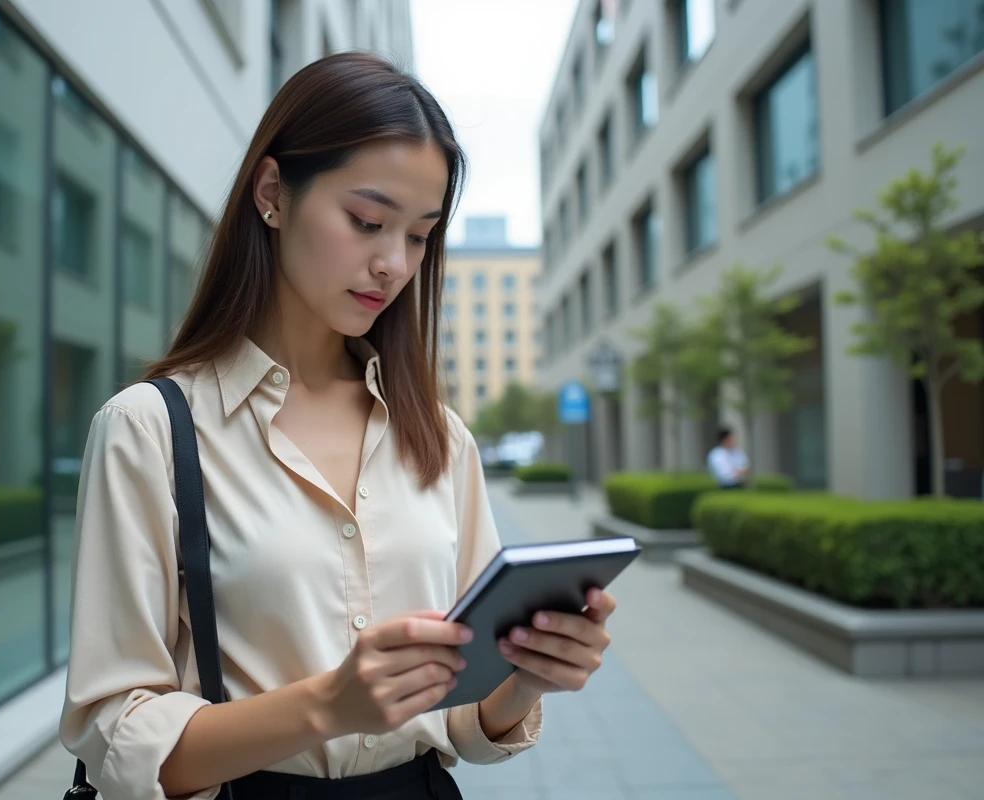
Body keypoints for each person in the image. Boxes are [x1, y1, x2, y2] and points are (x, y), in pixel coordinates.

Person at [59, 53, 618, 800]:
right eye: (366, 221)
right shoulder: (150, 429)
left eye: (420, 236)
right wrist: (328, 705)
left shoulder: (440, 438)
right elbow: (118, 737)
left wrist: (523, 678)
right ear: (272, 195)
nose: (393, 263)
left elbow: (461, 720)